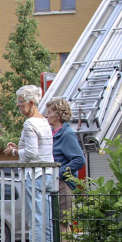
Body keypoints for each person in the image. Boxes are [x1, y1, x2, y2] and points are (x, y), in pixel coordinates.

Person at [3, 85, 55, 242]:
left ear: (31, 103)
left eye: (20, 104)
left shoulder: (30, 123)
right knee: (46, 221)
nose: (19, 108)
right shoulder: (45, 123)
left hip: (35, 176)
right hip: (48, 174)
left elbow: (32, 153)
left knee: (36, 222)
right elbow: (40, 150)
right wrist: (19, 147)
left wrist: (14, 152)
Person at [45, 97, 85, 234]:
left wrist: (59, 173)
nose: (46, 115)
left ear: (58, 114)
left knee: (63, 225)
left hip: (64, 184)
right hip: (55, 183)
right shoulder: (52, 133)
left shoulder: (67, 134)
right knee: (56, 225)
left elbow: (79, 159)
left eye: (49, 112)